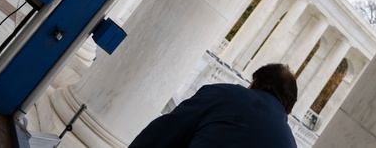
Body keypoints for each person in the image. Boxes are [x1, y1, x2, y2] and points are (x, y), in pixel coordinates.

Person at [127, 63, 299, 148]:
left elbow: (162, 135)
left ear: (253, 84)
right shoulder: (290, 143)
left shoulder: (224, 94)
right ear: (287, 110)